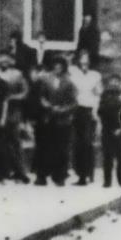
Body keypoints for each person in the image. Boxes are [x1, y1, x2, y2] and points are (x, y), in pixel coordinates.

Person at [0, 50, 31, 183]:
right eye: (2, 58)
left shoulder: (17, 75)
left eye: (7, 58)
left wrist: (12, 98)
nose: (4, 61)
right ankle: (2, 172)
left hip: (13, 112)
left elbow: (25, 92)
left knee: (15, 141)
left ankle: (20, 172)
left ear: (11, 60)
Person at [39, 55, 79, 186]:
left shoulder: (69, 82)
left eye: (60, 67)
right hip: (47, 118)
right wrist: (47, 105)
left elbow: (74, 103)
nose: (57, 69)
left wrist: (62, 110)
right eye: (55, 66)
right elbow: (41, 97)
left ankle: (59, 176)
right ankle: (42, 176)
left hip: (62, 120)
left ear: (63, 68)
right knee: (44, 148)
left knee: (61, 149)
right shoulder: (45, 79)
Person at [69, 49, 103, 185]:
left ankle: (88, 174)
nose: (84, 61)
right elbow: (71, 93)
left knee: (87, 143)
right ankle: (80, 174)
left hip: (89, 111)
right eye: (82, 58)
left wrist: (96, 112)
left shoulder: (95, 75)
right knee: (77, 143)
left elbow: (98, 94)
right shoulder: (73, 74)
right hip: (76, 110)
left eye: (87, 58)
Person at [97, 73, 121, 188]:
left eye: (117, 81)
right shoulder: (105, 95)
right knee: (107, 156)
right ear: (109, 83)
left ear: (120, 83)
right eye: (112, 81)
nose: (114, 83)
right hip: (107, 129)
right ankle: (107, 180)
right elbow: (100, 111)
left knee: (120, 157)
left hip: (120, 129)